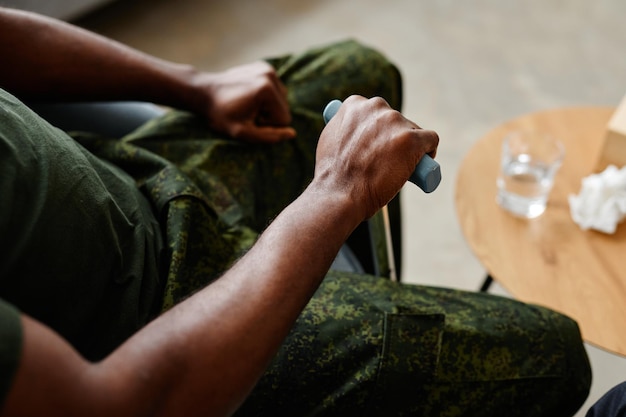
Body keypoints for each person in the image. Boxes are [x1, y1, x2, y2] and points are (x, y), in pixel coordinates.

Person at [0, 6, 591, 417]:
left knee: (358, 68)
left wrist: (194, 85)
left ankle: (381, 302)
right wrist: (335, 195)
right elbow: (120, 406)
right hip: (165, 325)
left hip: (138, 181)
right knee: (554, 355)